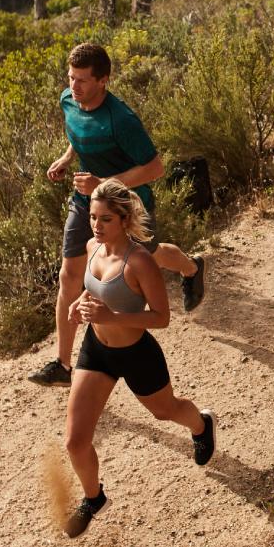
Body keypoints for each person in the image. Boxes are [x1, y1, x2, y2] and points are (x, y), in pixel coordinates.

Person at [31, 41, 205, 387]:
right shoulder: (69, 99)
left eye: (82, 80)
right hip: (86, 202)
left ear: (103, 81)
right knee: (70, 275)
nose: (74, 87)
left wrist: (103, 181)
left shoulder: (121, 120)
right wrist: (67, 159)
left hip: (128, 205)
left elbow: (154, 167)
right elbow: (76, 130)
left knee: (150, 258)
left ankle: (192, 267)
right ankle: (63, 365)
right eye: (70, 78)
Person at [59, 179, 215, 537]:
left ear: (124, 219)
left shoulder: (140, 261)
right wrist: (80, 306)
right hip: (96, 350)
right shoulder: (91, 247)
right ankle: (93, 497)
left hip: (136, 353)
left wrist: (112, 316)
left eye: (106, 219)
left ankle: (202, 426)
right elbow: (91, 290)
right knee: (75, 441)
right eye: (94, 218)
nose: (97, 226)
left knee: (166, 411)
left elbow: (161, 317)